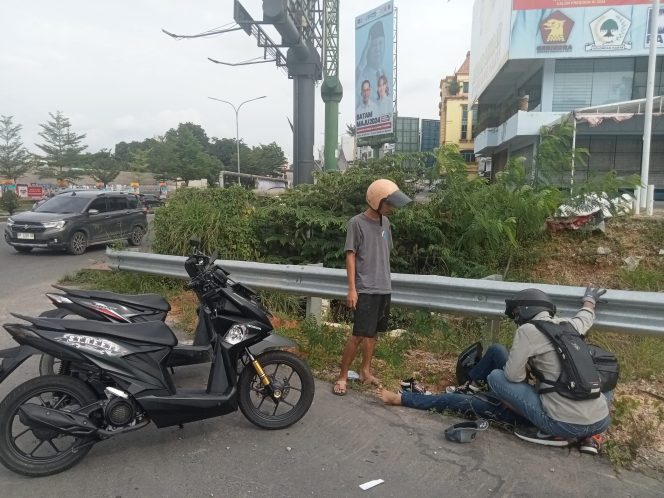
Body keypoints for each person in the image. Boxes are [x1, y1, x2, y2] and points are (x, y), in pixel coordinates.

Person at [485, 286, 611, 455]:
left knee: (496, 377)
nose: (515, 317)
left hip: (563, 424)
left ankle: (553, 435)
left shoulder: (527, 330)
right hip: (601, 421)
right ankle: (591, 436)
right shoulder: (569, 325)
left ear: (524, 310)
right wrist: (590, 300)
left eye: (516, 312)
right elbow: (585, 318)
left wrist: (528, 374)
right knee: (606, 374)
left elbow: (513, 376)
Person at [333, 179, 412, 396]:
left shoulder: (385, 224)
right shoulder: (356, 223)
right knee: (359, 334)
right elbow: (351, 256)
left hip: (383, 287)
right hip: (365, 288)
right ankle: (342, 376)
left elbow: (384, 252)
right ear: (377, 201)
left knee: (373, 334)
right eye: (389, 204)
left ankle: (365, 371)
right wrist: (352, 289)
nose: (392, 208)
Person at [377, 344, 532, 428]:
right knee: (497, 350)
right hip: (523, 391)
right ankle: (471, 385)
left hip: (516, 408)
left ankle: (401, 398)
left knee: (451, 400)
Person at [356, 20, 387, 100]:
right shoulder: (361, 77)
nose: (378, 49)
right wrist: (360, 65)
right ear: (368, 50)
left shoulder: (388, 76)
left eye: (380, 43)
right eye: (374, 45)